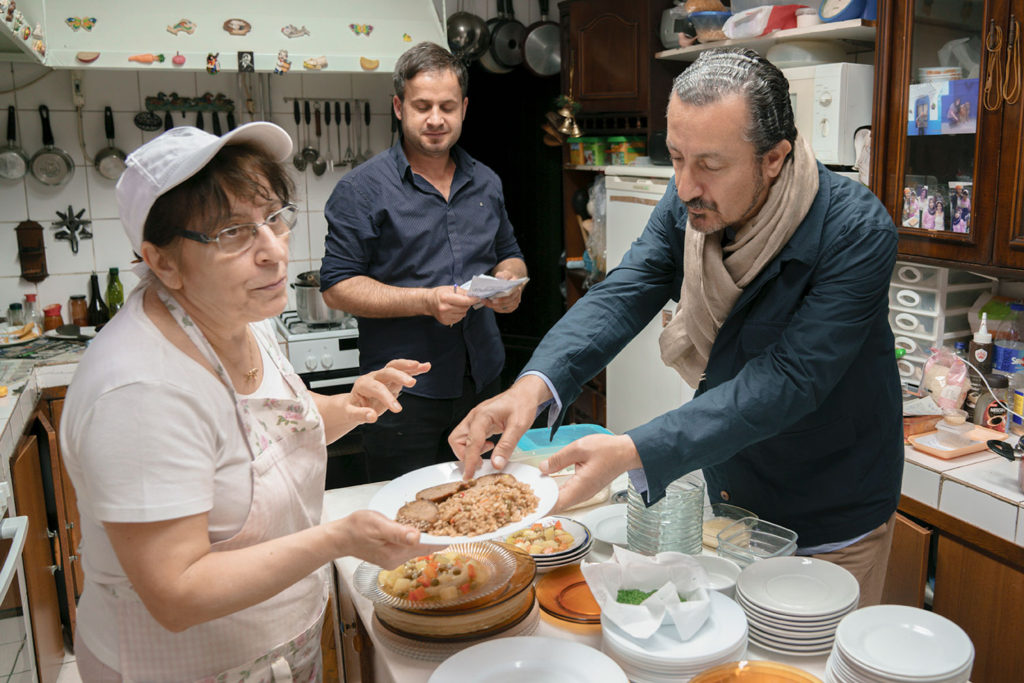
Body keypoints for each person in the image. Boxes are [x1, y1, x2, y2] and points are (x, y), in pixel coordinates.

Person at [450, 48, 903, 606]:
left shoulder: (855, 230)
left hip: (830, 510)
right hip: (731, 496)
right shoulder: (691, 202)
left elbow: (790, 379)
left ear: (773, 159)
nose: (685, 186)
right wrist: (533, 384)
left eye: (709, 164)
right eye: (676, 158)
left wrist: (633, 449)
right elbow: (627, 289)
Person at [61, 123, 430, 681]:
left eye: (274, 218)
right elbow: (177, 592)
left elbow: (274, 429)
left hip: (278, 649)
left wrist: (352, 404)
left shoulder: (239, 317)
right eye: (232, 233)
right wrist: (337, 539)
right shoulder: (141, 391)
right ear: (162, 261)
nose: (274, 251)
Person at [320, 41, 527, 481]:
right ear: (399, 107)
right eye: (422, 106)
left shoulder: (486, 182)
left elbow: (510, 253)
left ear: (464, 108)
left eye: (447, 107)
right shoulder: (361, 190)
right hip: (401, 393)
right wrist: (426, 301)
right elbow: (337, 286)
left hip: (483, 380)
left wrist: (510, 280)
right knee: (404, 510)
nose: (436, 119)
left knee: (483, 499)